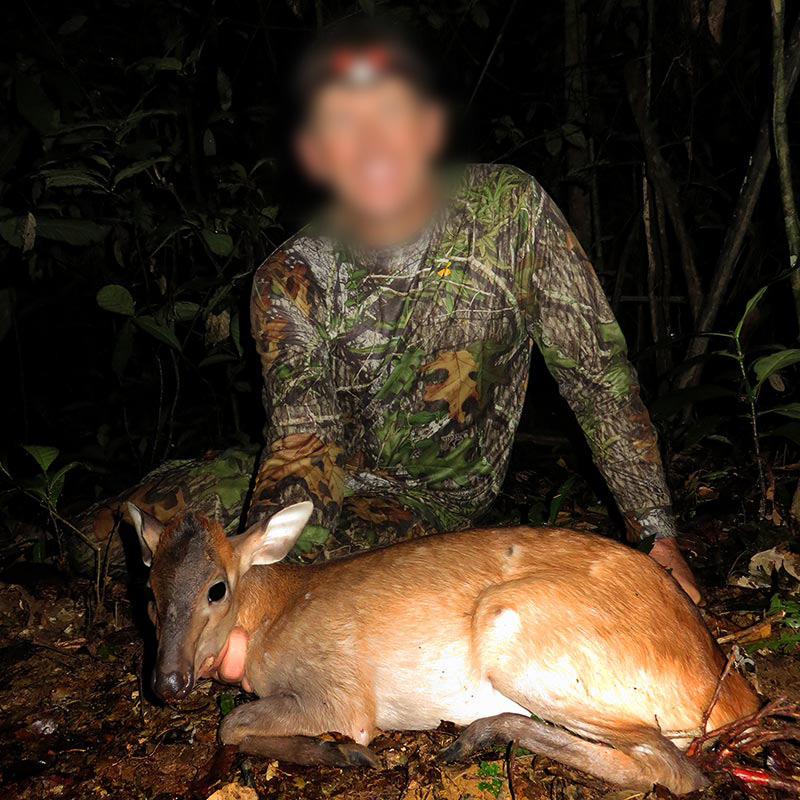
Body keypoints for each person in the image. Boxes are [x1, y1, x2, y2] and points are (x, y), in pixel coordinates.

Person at [77, 22, 699, 604]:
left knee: (339, 584)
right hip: (310, 479)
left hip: (428, 501)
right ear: (317, 151)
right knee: (112, 539)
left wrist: (653, 532)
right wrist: (261, 569)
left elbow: (597, 375)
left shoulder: (513, 213)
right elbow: (304, 439)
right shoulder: (290, 280)